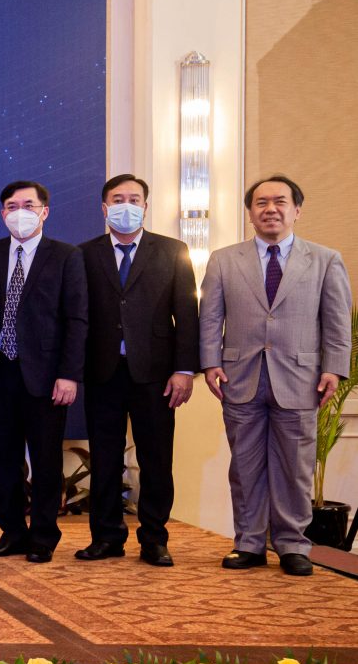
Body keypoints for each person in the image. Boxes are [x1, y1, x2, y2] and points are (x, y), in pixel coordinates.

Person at [200, 175, 352, 577]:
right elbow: (210, 318)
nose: (271, 209)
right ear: (250, 213)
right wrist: (210, 362)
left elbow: (337, 321)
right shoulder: (223, 260)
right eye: (261, 202)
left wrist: (334, 368)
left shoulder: (325, 260)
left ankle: (292, 545)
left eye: (280, 202)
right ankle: (249, 544)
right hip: (239, 378)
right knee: (244, 467)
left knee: (295, 468)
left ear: (296, 210)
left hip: (302, 379)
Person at [77, 174, 199, 567]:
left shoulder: (173, 251)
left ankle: (154, 539)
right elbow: (77, 317)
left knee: (156, 460)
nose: (126, 206)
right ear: (104, 207)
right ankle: (106, 537)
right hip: (102, 372)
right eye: (118, 199)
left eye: (134, 199)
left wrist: (184, 370)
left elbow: (187, 315)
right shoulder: (83, 254)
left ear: (145, 206)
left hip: (157, 375)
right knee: (105, 459)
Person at [0, 181, 88, 564]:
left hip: (47, 376)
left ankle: (43, 535)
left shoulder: (66, 256)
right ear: (2, 213)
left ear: (44, 211)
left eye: (28, 205)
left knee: (45, 460)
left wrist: (69, 374)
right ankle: (12, 532)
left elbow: (76, 319)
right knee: (2, 459)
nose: (19, 212)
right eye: (11, 206)